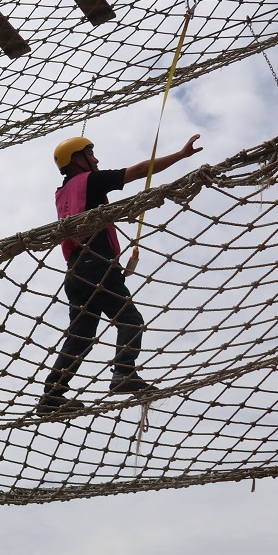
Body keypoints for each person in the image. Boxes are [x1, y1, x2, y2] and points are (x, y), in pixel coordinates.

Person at [36, 134, 202, 417]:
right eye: (91, 154)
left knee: (81, 336)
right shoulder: (91, 181)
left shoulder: (62, 193)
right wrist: (180, 155)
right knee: (131, 321)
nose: (96, 160)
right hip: (96, 265)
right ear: (76, 160)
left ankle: (52, 395)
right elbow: (137, 171)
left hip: (75, 272)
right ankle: (123, 374)